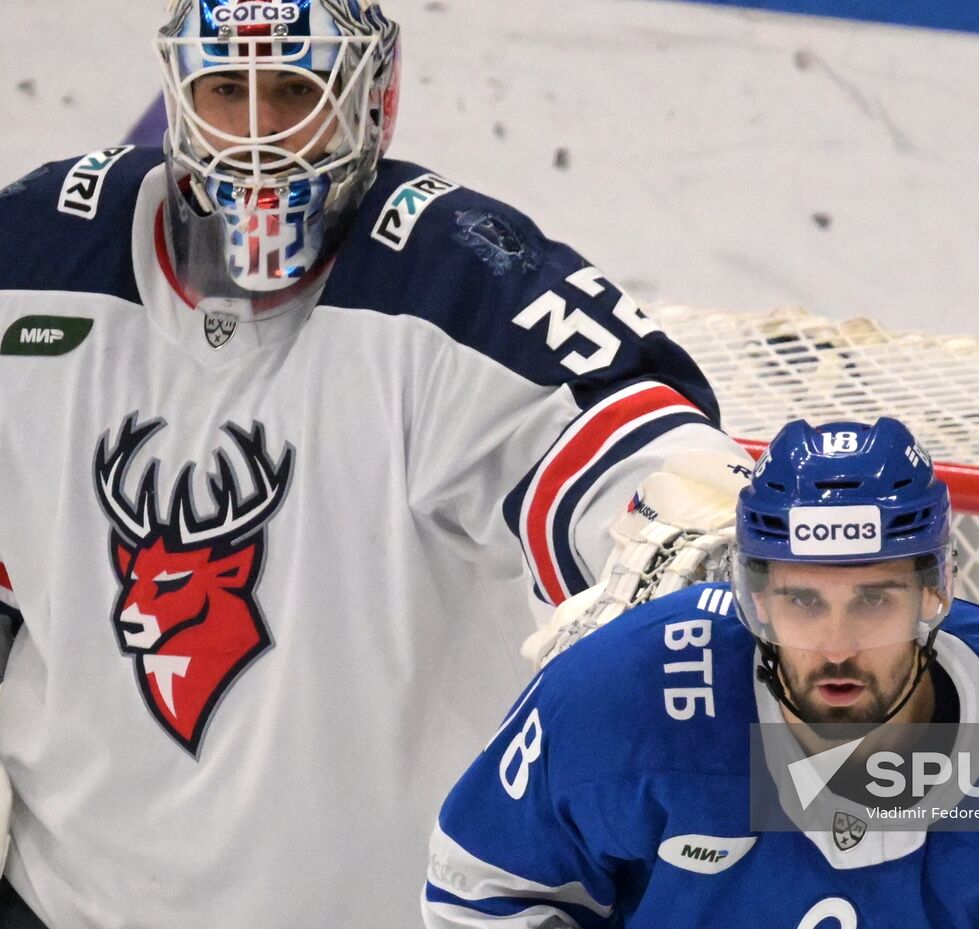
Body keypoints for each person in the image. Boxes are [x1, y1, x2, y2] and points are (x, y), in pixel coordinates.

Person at [0, 2, 750, 927]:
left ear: (369, 97)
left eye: (295, 91)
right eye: (226, 90)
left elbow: (637, 455)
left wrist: (685, 532)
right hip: (65, 901)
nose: (258, 136)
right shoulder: (34, 257)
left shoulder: (457, 280)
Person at [425, 417, 979, 928]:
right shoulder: (629, 695)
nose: (836, 644)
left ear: (933, 591)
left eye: (873, 598)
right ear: (755, 599)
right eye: (804, 599)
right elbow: (479, 886)